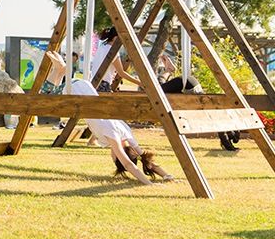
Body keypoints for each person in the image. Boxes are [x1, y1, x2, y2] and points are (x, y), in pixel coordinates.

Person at [44, 51, 174, 185]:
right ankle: (60, 69)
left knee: (51, 94)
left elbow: (146, 160)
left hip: (87, 88)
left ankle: (60, 70)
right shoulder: (114, 137)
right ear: (117, 156)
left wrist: (166, 175)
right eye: (114, 158)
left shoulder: (128, 136)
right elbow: (129, 165)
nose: (111, 156)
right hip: (78, 92)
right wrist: (149, 184)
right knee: (45, 96)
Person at [159, 72, 240, 151]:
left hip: (187, 83)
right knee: (158, 89)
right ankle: (168, 71)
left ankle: (168, 71)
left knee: (157, 89)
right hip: (190, 83)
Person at [92, 27, 142, 92]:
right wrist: (140, 83)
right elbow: (121, 73)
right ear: (115, 38)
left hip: (94, 83)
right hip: (103, 85)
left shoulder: (102, 47)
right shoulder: (113, 51)